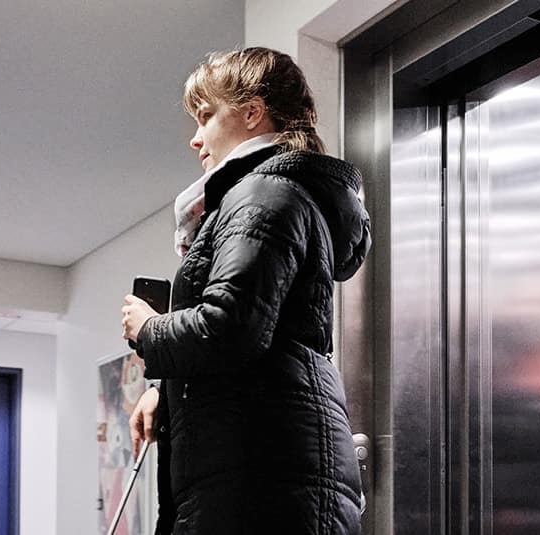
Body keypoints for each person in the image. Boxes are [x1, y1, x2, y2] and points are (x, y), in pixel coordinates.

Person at [121, 46, 371, 535]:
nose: (195, 138)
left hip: (261, 480)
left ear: (253, 112)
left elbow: (231, 327)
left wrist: (148, 330)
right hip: (272, 471)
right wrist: (167, 394)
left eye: (206, 116)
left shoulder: (262, 193)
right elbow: (261, 341)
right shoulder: (275, 193)